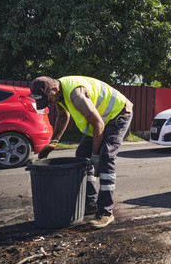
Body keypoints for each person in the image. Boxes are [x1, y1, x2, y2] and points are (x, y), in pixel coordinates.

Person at [30, 76, 133, 229]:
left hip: (118, 113)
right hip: (99, 120)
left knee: (106, 156)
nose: (50, 103)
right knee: (82, 156)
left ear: (55, 89)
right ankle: (90, 203)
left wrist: (96, 156)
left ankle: (106, 212)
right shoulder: (59, 94)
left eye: (49, 98)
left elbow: (98, 124)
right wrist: (54, 141)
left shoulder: (76, 95)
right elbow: (64, 115)